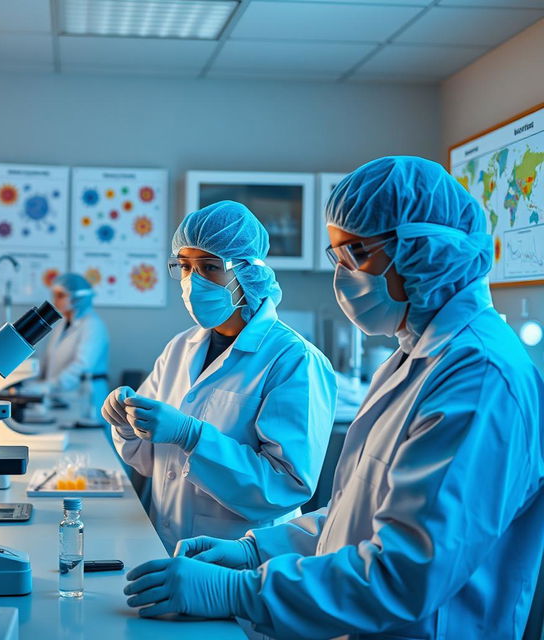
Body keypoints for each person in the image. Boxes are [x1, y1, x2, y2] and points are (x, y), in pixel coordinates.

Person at [122, 157, 544, 640]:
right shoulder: (413, 359)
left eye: (357, 253)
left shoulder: (479, 377)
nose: (343, 274)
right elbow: (353, 513)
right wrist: (256, 550)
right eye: (337, 255)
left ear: (423, 248)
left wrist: (239, 591)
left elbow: (402, 574)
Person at [103, 200, 337, 552]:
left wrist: (191, 435)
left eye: (210, 267)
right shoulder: (181, 348)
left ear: (246, 271)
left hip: (242, 556)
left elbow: (285, 487)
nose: (192, 282)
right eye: (184, 266)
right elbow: (152, 463)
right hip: (164, 542)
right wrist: (126, 425)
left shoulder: (293, 359)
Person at [36, 272, 110, 424]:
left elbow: (81, 366)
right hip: (65, 397)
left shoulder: (93, 326)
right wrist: (37, 383)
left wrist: (50, 386)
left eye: (61, 295)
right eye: (54, 295)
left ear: (78, 298)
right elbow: (50, 360)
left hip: (88, 398)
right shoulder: (63, 325)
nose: (55, 301)